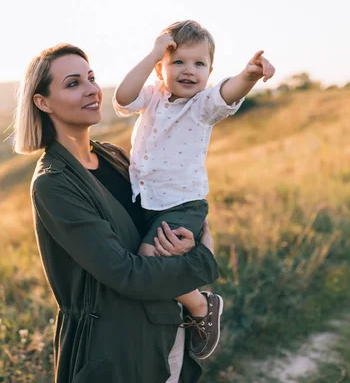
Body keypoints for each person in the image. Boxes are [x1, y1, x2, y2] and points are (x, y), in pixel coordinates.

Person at [13, 43, 220, 383]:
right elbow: (124, 273)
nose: (91, 89)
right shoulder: (54, 184)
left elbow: (161, 217)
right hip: (114, 348)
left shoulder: (114, 156)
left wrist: (186, 243)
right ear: (42, 102)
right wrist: (203, 259)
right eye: (73, 83)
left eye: (91, 78)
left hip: (166, 327)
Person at [113, 20, 276, 359]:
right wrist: (153, 54)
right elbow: (123, 96)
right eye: (178, 62)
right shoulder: (153, 95)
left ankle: (201, 305)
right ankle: (174, 323)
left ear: (210, 70)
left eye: (199, 64)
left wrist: (249, 75)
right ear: (161, 69)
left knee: (147, 259)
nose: (189, 71)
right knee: (151, 262)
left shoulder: (202, 105)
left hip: (183, 204)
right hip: (146, 201)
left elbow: (228, 92)